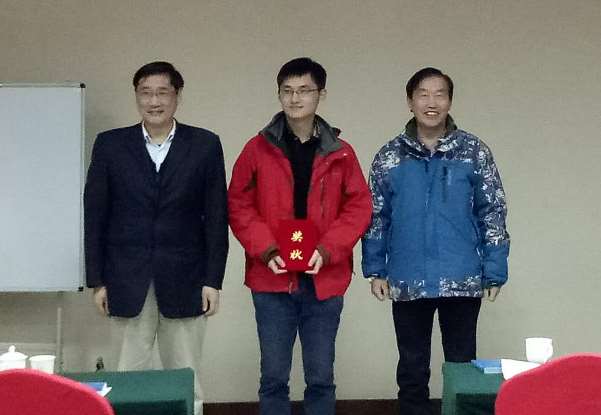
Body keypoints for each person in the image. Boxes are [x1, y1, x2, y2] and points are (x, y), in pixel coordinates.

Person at [228, 57, 372, 415]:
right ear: (279, 94)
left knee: (321, 377)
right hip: (272, 277)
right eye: (287, 91)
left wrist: (329, 249)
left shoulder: (341, 152)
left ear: (321, 94)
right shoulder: (256, 149)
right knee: (273, 377)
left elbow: (358, 207)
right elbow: (239, 205)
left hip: (324, 277)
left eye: (305, 90)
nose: (295, 99)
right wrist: (266, 249)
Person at [362, 67, 510, 415]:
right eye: (423, 94)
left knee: (462, 368)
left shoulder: (473, 152)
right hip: (407, 277)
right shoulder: (390, 156)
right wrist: (375, 269)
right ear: (410, 102)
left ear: (450, 101)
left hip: (462, 276)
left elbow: (492, 211)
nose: (432, 102)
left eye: (440, 94)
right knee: (412, 369)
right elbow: (376, 216)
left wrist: (494, 269)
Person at [84, 61, 228, 415]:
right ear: (136, 96)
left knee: (186, 376)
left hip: (187, 278)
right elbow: (95, 216)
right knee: (126, 378)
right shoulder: (110, 145)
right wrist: (97, 280)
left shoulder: (205, 145)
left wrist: (213, 280)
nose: (154, 101)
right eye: (145, 93)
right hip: (125, 278)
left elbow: (216, 217)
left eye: (162, 92)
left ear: (177, 96)